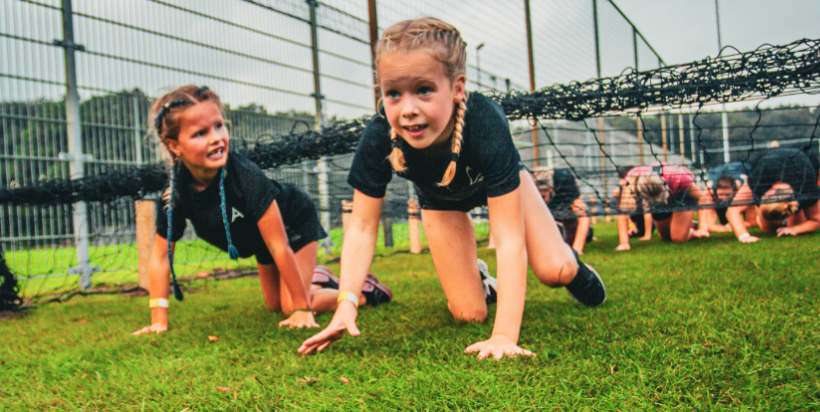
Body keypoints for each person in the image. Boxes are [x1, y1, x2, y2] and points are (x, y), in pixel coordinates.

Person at [299, 18, 606, 361]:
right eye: (394, 93)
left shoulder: (486, 121)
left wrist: (504, 335)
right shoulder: (379, 135)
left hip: (504, 186)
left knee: (554, 272)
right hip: (440, 201)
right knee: (468, 313)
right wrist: (346, 304)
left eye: (424, 89)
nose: (409, 109)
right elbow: (361, 226)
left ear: (457, 88)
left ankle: (575, 267)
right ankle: (483, 283)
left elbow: (507, 238)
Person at [132, 85, 391, 337]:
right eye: (200, 133)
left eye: (219, 126)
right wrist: (158, 320)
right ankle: (317, 277)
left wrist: (302, 310)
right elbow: (161, 258)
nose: (216, 138)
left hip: (293, 221)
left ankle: (365, 292)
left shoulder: (246, 176)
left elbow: (279, 244)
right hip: (263, 242)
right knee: (274, 306)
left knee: (292, 306)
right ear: (174, 146)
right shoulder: (175, 193)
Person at [724, 147, 820, 243]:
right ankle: (776, 221)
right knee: (767, 228)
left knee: (796, 225)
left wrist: (795, 229)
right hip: (767, 159)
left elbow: (816, 220)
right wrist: (744, 236)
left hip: (804, 160)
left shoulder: (807, 186)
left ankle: (790, 220)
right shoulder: (759, 178)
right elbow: (732, 210)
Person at [615, 163, 707, 249]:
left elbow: (701, 198)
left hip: (682, 197)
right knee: (665, 237)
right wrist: (624, 243)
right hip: (662, 201)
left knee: (678, 238)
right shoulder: (632, 180)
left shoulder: (677, 177)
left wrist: (703, 227)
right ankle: (685, 223)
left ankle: (691, 228)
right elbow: (623, 210)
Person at [533, 168, 593, 255]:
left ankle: (588, 232)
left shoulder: (565, 180)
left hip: (565, 213)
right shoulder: (526, 183)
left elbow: (583, 217)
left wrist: (576, 250)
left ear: (551, 189)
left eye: (543, 196)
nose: (542, 200)